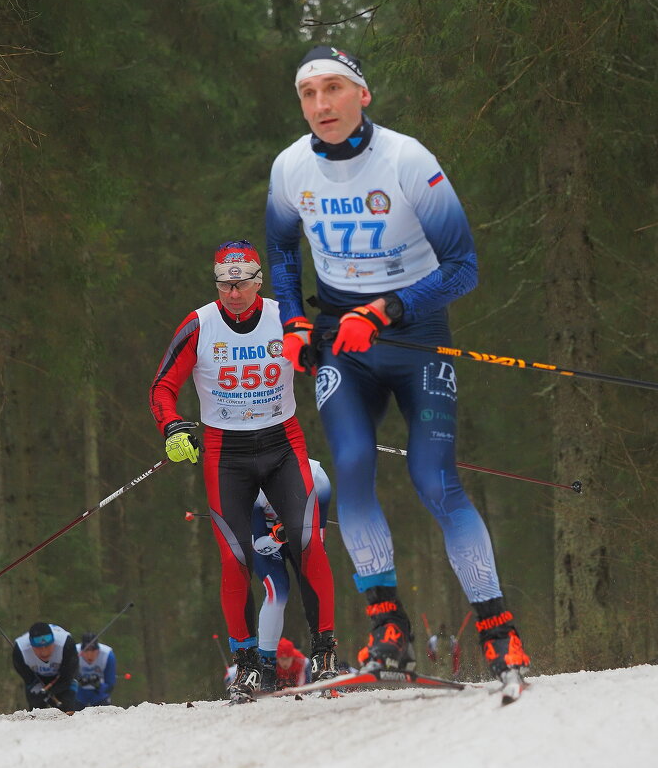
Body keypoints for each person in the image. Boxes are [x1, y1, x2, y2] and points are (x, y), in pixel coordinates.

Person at [265, 46, 531, 689]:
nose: (322, 106)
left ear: (364, 96)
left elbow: (463, 268)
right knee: (351, 465)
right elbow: (279, 249)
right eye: (309, 95)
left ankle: (499, 631)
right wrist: (295, 321)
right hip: (341, 343)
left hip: (415, 337)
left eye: (334, 89)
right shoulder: (290, 167)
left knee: (433, 478)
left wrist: (387, 309)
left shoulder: (408, 160)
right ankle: (388, 625)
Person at [149, 240, 338, 702]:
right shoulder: (200, 324)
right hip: (225, 454)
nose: (232, 293)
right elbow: (163, 386)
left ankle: (325, 654)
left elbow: (327, 363)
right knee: (235, 559)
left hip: (282, 445)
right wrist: (173, 426)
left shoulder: (282, 317)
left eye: (241, 284)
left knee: (307, 539)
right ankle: (248, 664)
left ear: (258, 281)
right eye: (224, 285)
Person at [251, 458, 332, 691]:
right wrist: (278, 536)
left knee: (312, 582)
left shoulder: (319, 480)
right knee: (278, 590)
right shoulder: (255, 486)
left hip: (302, 534)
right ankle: (266, 667)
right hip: (267, 538)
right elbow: (259, 545)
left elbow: (319, 540)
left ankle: (324, 655)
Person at [12, 621, 81, 712]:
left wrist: (54, 690)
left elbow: (68, 675)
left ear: (54, 642)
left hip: (63, 675)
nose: (44, 652)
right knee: (36, 707)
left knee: (67, 704)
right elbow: (27, 677)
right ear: (31, 646)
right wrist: (39, 690)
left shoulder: (66, 644)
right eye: (38, 648)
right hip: (37, 677)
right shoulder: (20, 650)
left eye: (48, 646)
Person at [76, 633, 117, 707]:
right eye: (86, 651)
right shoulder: (74, 653)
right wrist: (78, 680)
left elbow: (110, 684)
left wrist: (99, 685)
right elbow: (67, 679)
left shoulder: (108, 655)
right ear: (81, 652)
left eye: (93, 651)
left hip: (99, 694)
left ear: (98, 650)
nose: (90, 655)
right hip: (79, 693)